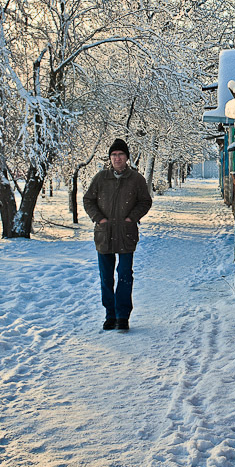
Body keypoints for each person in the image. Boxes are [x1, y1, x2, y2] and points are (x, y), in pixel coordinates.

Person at [83, 139, 152, 331]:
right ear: (110, 158)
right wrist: (99, 219)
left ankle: (123, 315)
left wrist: (131, 218)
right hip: (104, 235)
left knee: (124, 275)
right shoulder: (100, 178)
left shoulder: (136, 179)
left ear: (127, 158)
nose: (117, 158)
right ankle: (110, 314)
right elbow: (88, 200)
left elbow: (145, 202)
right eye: (114, 155)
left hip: (126, 234)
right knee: (106, 277)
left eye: (121, 155)